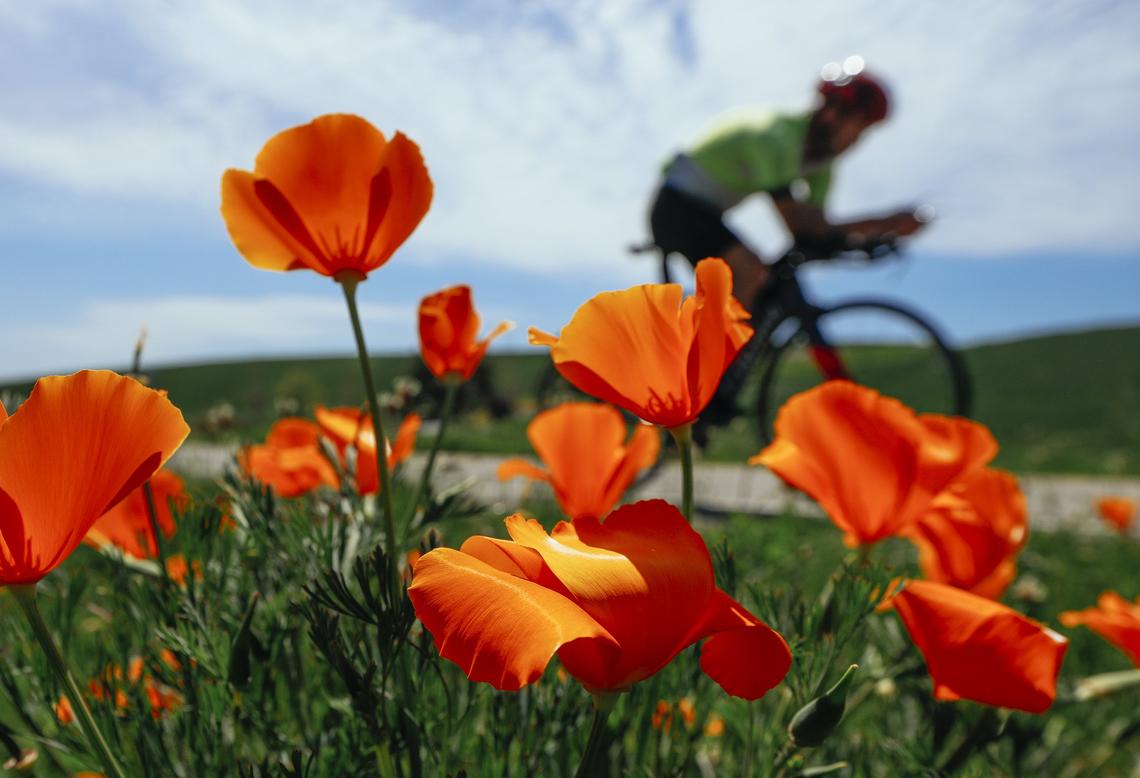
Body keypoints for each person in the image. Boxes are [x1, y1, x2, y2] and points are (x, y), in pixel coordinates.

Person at [649, 58, 926, 308]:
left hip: (706, 213)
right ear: (833, 114)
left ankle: (723, 350)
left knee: (763, 285)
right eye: (860, 129)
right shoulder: (774, 138)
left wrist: (882, 228)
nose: (857, 142)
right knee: (749, 272)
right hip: (676, 207)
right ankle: (706, 362)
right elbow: (798, 225)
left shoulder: (821, 165)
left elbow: (817, 228)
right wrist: (882, 223)